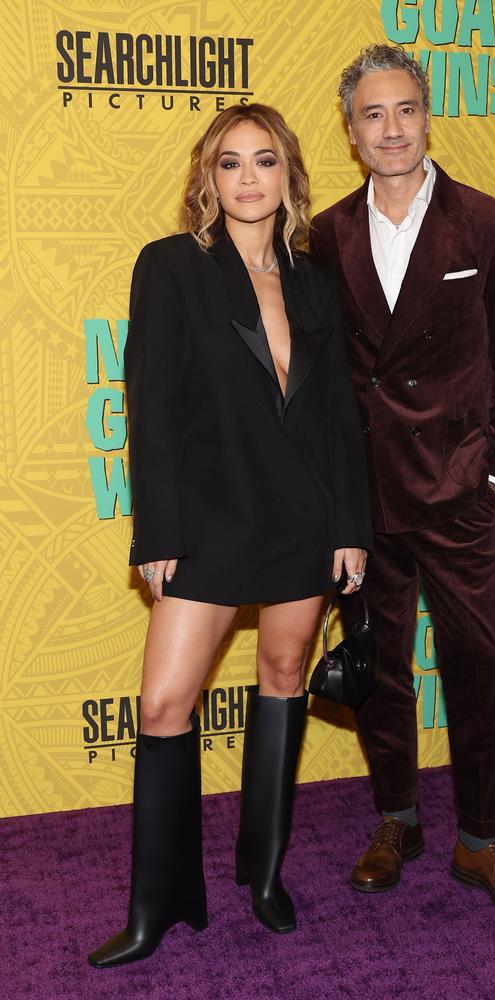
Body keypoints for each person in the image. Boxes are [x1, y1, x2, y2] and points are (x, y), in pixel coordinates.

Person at [88, 103, 372, 968]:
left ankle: (265, 873)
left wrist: (352, 526)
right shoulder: (172, 267)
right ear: (207, 178)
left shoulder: (317, 279)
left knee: (285, 673)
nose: (249, 179)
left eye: (266, 161)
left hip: (304, 516)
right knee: (164, 707)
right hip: (210, 519)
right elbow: (154, 409)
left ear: (290, 174)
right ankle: (158, 904)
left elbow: (337, 417)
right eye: (230, 163)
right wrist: (158, 531)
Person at [310, 45, 495, 918]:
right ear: (350, 130)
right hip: (365, 498)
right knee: (380, 671)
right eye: (372, 115)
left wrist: (491, 473)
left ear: (427, 113)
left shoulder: (490, 225)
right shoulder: (326, 234)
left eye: (404, 109)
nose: (391, 128)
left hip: (456, 493)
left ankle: (482, 842)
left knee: (476, 666)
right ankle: (398, 819)